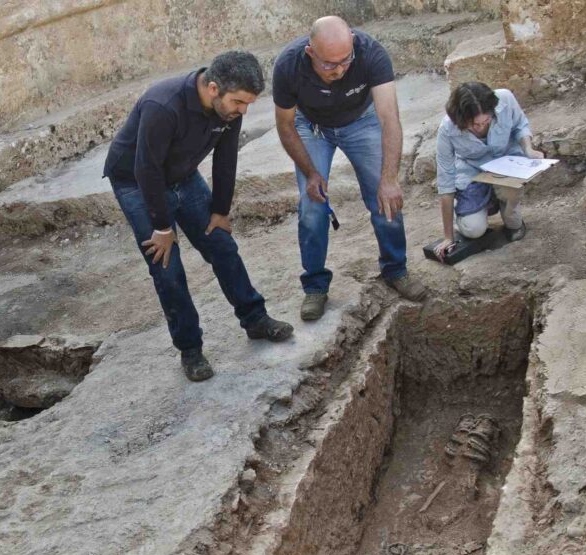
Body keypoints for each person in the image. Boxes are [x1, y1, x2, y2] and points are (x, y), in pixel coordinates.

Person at [103, 51, 293, 382]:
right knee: (167, 268)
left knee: (222, 246)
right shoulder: (163, 105)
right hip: (137, 182)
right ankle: (190, 350)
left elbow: (225, 157)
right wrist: (163, 226)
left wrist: (220, 210)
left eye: (248, 104)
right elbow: (146, 169)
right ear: (213, 88)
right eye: (238, 102)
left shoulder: (229, 110)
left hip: (184, 176)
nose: (243, 111)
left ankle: (255, 319)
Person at [273, 15, 427, 322]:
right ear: (310, 52)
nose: (340, 70)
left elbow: (389, 118)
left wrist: (389, 178)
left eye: (345, 60)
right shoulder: (288, 65)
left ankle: (396, 269)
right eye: (329, 64)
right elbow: (285, 126)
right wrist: (311, 173)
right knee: (312, 205)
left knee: (384, 198)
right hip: (310, 126)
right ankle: (315, 286)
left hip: (362, 121)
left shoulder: (371, 53)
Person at [433, 82, 544, 260]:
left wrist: (528, 150)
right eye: (474, 125)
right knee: (473, 229)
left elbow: (520, 125)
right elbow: (445, 181)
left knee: (510, 195)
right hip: (472, 172)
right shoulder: (447, 129)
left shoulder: (505, 99)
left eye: (486, 121)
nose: (481, 127)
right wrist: (448, 237)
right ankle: (466, 210)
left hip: (507, 164)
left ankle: (512, 219)